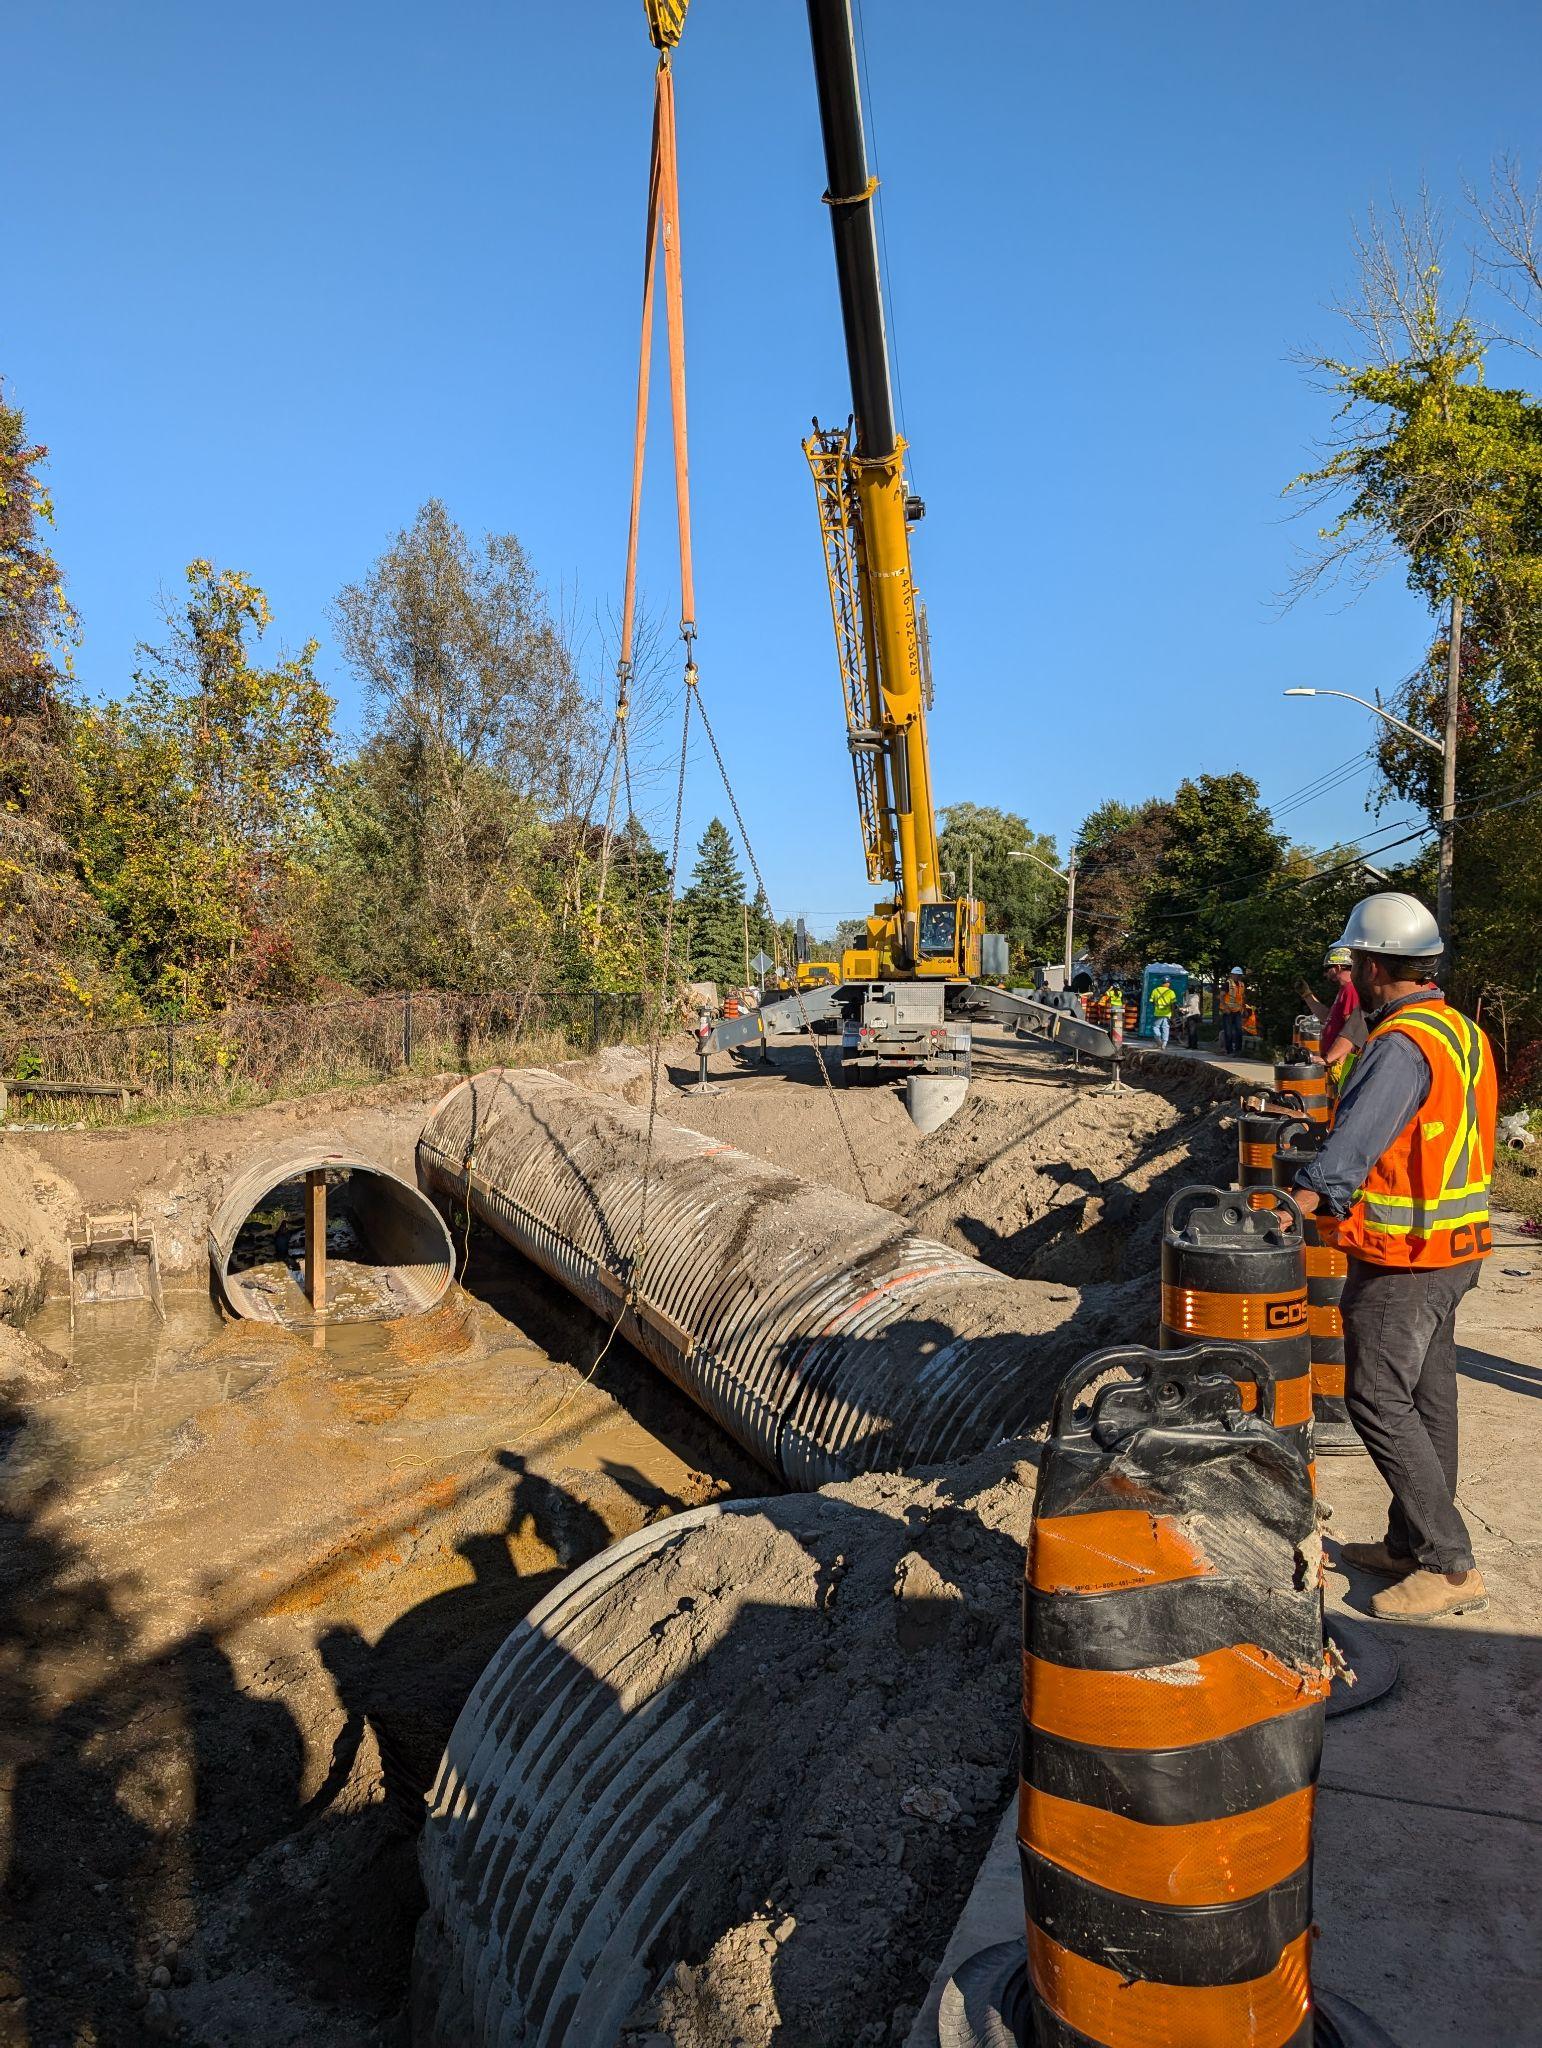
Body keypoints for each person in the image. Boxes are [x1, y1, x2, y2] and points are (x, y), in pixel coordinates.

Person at [1290, 892, 1496, 1620]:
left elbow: (1352, 1150)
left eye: (1359, 963)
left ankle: (1449, 1563)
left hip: (1405, 1257)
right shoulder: (1460, 1031)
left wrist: (1298, 1202)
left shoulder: (1401, 1044)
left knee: (1375, 1395)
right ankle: (1410, 1544)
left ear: (1373, 965)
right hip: (1454, 1248)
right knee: (1430, 1399)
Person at [1299, 944, 1368, 1084]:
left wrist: (1339, 1058)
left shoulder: (1351, 990)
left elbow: (1353, 1029)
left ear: (1337, 967)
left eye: (1327, 969)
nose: (1325, 974)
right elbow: (1328, 1018)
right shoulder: (1344, 991)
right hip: (1334, 1062)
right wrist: (1307, 995)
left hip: (1341, 1064)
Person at [1220, 966, 1247, 1056]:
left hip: (1237, 1011)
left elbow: (1242, 998)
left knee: (1239, 1031)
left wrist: (1245, 1009)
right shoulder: (1227, 984)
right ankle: (1229, 1050)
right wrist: (1225, 1007)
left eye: (1239, 975)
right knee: (1228, 1032)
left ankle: (1238, 1050)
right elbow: (1221, 996)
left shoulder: (1242, 984)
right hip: (1228, 1011)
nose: (1238, 977)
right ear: (1232, 975)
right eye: (1236, 975)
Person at [1149, 975, 1177, 1048]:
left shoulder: (1155, 990)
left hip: (1157, 1012)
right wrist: (1173, 1014)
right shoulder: (1171, 992)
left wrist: (1157, 1005)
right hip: (1167, 1013)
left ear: (1162, 982)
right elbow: (1173, 1004)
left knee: (1155, 1027)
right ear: (1168, 983)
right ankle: (1164, 1043)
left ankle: (1159, 1040)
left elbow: (1151, 1001)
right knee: (1165, 1028)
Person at [1179, 985, 1201, 1050]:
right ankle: (1191, 1045)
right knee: (1191, 1030)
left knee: (1192, 1031)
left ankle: (1193, 1045)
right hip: (1191, 1014)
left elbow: (1192, 1007)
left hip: (1192, 1015)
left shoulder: (1193, 997)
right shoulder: (1192, 996)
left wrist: (1183, 1010)